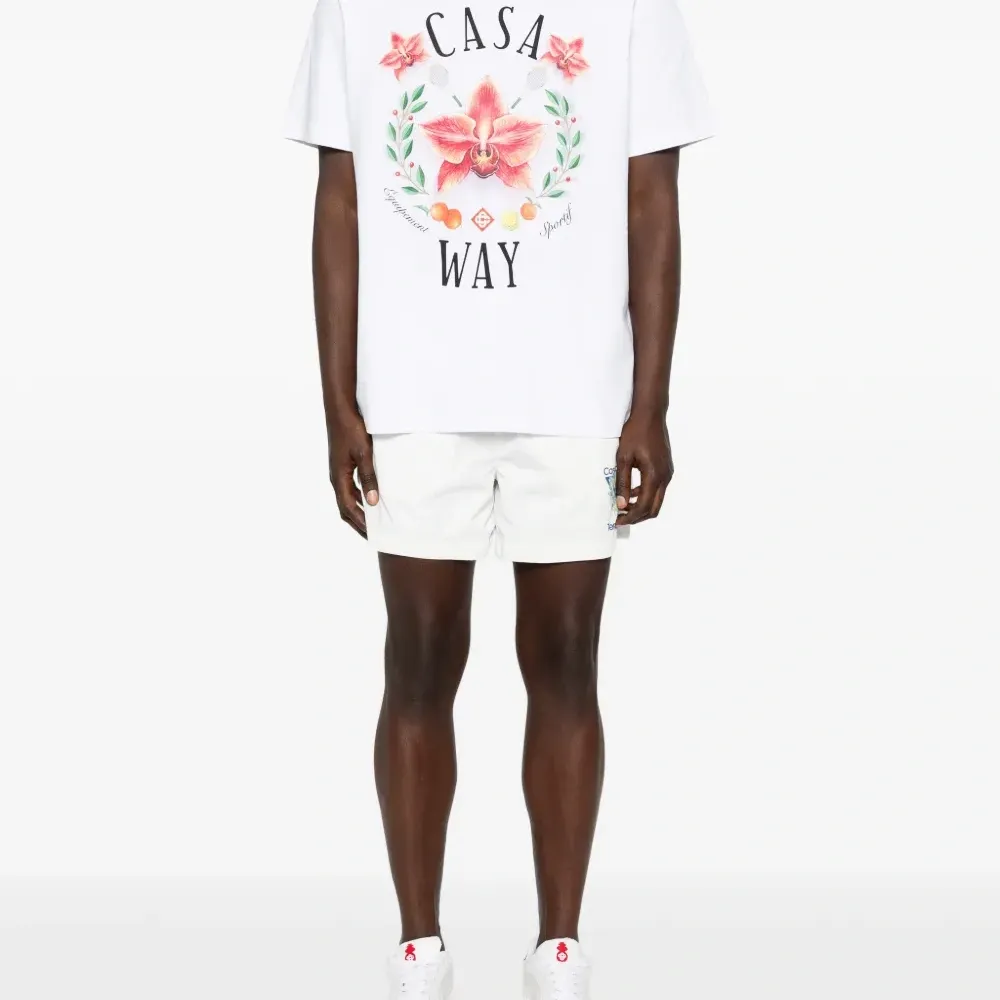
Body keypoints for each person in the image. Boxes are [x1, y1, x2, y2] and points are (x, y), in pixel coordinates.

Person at [286, 0, 713, 995]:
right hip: (412, 397)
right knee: (418, 655)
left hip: (576, 396)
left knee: (565, 658)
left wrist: (648, 403)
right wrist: (339, 400)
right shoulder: (353, 7)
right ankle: (419, 947)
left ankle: (559, 946)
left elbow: (651, 197)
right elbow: (340, 200)